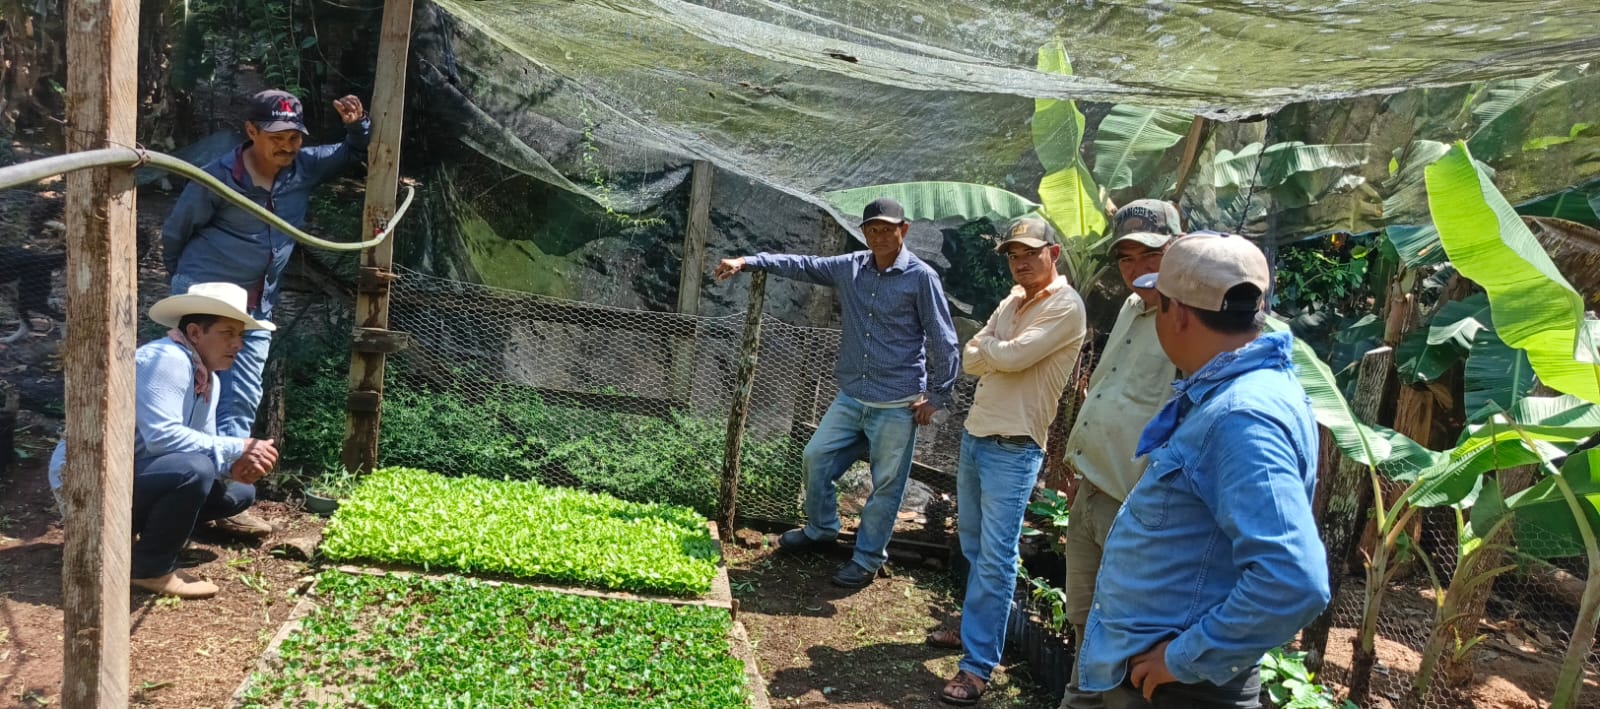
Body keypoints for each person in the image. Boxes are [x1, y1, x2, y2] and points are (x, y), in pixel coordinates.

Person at [1074, 232, 1330, 708]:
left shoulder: (1242, 416)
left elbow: (1294, 579)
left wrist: (1183, 658)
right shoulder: (1237, 391)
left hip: (1179, 691)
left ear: (1179, 314)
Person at [714, 197, 959, 589]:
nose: (879, 236)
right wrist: (748, 261)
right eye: (872, 229)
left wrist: (937, 396)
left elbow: (943, 340)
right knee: (816, 458)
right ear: (863, 232)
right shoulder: (851, 267)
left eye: (887, 229)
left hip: (897, 403)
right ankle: (822, 528)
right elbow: (803, 265)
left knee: (886, 486)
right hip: (852, 396)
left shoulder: (921, 277)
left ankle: (866, 560)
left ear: (904, 230)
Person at [933, 217, 1086, 705]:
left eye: (1030, 253)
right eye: (1013, 256)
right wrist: (995, 350)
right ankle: (972, 630)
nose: (1020, 263)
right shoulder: (1014, 299)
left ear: (1053, 253)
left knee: (996, 558)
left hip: (1015, 446)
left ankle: (977, 667)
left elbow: (1012, 356)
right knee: (974, 545)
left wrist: (992, 349)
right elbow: (969, 357)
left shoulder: (1066, 306)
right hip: (977, 434)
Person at [48, 282, 281, 599]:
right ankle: (150, 570)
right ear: (195, 333)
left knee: (239, 491)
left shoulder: (208, 378)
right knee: (194, 470)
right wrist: (238, 447)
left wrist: (231, 468)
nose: (238, 344)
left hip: (131, 475)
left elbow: (202, 442)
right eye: (228, 333)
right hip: (87, 484)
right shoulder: (167, 359)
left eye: (240, 335)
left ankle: (143, 539)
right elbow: (162, 437)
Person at [162, 89, 370, 440]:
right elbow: (177, 231)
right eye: (277, 138)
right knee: (194, 384)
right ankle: (182, 461)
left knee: (242, 394)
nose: (287, 147)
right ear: (251, 131)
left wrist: (357, 124)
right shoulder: (218, 177)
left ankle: (230, 465)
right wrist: (182, 283)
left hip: (256, 305)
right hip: (205, 295)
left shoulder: (305, 167)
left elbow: (353, 151)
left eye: (294, 138)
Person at [1057, 200, 1182, 709]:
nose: (1137, 268)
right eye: (1126, 258)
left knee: (1124, 637)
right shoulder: (1132, 307)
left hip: (1133, 506)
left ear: (1177, 249)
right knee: (1084, 623)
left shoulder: (1187, 321)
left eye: (1150, 255)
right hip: (1092, 491)